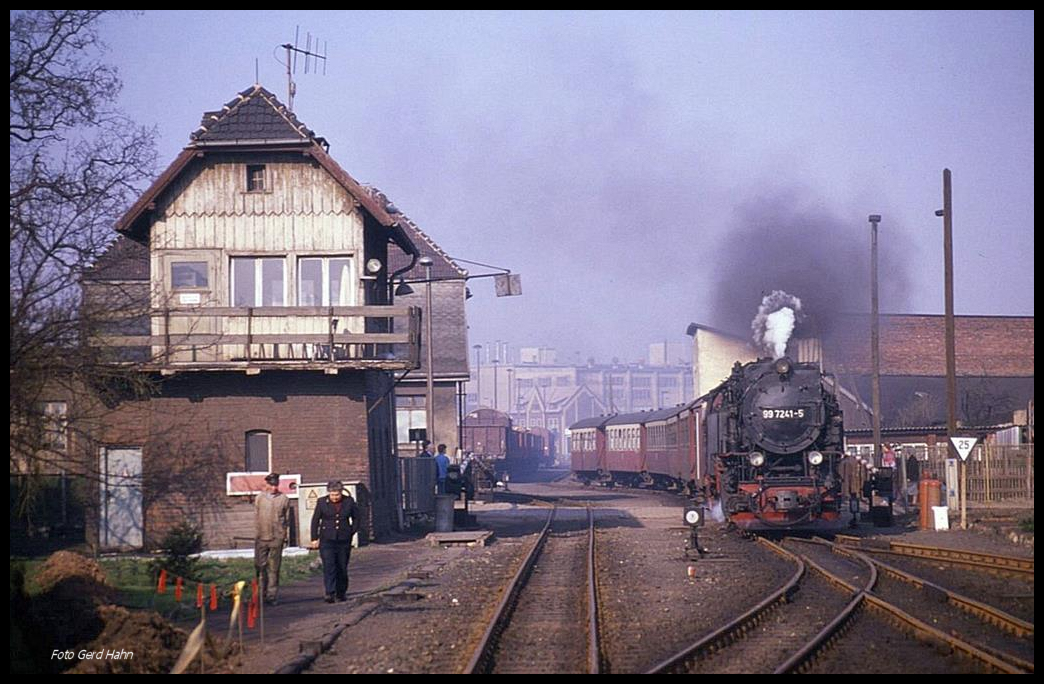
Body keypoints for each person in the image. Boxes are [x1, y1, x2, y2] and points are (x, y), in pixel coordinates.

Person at [309, 480, 359, 603]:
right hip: (327, 539)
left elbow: (357, 518)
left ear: (341, 492)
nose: (335, 498)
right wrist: (314, 538)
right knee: (329, 566)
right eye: (332, 495)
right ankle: (330, 592)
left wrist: (350, 532)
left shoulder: (349, 501)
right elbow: (315, 520)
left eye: (337, 495)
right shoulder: (322, 502)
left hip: (343, 540)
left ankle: (341, 592)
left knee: (341, 566)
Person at [254, 472, 290, 605]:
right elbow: (256, 516)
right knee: (259, 566)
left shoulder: (284, 499)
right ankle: (259, 594)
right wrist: (257, 534)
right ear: (267, 484)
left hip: (276, 538)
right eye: (271, 485)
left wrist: (284, 536)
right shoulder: (260, 498)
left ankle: (271, 596)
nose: (274, 488)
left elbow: (286, 520)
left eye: (276, 485)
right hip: (262, 537)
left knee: (274, 568)